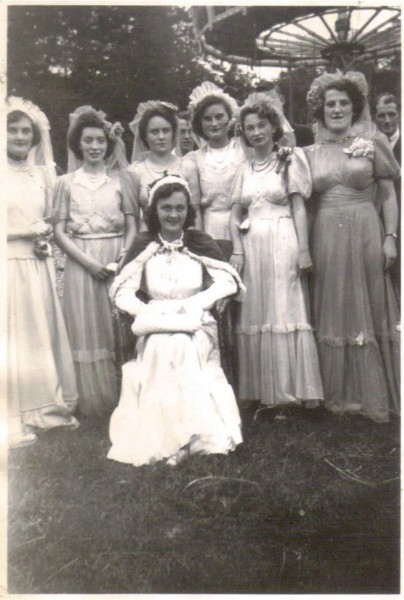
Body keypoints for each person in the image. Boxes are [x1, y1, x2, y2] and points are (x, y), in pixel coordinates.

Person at [107, 175, 244, 466]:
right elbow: (123, 293)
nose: (173, 214)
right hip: (156, 319)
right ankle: (164, 438)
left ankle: (192, 436)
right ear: (155, 211)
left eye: (180, 208)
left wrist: (195, 304)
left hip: (195, 318)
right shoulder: (144, 244)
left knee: (181, 345)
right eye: (166, 208)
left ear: (188, 211)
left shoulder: (199, 242)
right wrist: (147, 313)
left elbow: (227, 283)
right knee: (159, 347)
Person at [305, 72, 400, 423]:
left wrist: (390, 238)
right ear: (321, 110)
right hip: (327, 232)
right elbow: (310, 204)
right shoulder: (309, 153)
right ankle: (339, 391)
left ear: (354, 107)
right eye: (330, 104)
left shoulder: (373, 143)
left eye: (344, 103)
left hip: (364, 229)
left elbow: (389, 197)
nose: (337, 109)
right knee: (334, 302)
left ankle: (372, 392)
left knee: (371, 303)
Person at [229, 99, 323, 410]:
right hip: (253, 243)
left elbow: (298, 206)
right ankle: (260, 391)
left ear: (273, 128)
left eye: (261, 125)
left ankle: (288, 393)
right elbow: (234, 215)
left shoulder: (287, 160)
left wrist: (304, 249)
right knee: (258, 309)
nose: (255, 132)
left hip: (283, 238)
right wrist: (238, 250)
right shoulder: (243, 168)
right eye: (249, 127)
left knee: (283, 307)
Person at [53, 107, 137, 416]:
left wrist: (122, 258)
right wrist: (88, 263)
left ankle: (121, 397)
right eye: (88, 141)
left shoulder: (119, 181)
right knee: (84, 324)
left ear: (109, 143)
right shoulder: (65, 183)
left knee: (113, 324)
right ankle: (90, 398)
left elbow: (132, 224)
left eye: (100, 140)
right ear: (78, 144)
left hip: (115, 259)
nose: (94, 147)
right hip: (81, 260)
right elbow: (58, 231)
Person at [6, 97, 78, 448]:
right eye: (13, 129)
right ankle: (13, 412)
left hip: (36, 264)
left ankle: (44, 407)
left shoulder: (40, 174)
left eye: (26, 131)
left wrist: (42, 236)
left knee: (37, 334)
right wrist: (24, 233)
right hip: (7, 264)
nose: (20, 136)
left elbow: (48, 219)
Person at [126, 101, 201, 230]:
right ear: (145, 136)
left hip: (184, 240)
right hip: (148, 240)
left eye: (166, 131)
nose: (161, 137)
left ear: (173, 133)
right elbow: (133, 217)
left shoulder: (188, 167)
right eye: (154, 132)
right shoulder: (135, 171)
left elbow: (196, 213)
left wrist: (199, 244)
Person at [374, 93, 401, 301]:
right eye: (381, 115)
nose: (387, 120)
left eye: (391, 114)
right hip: (379, 219)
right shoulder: (369, 144)